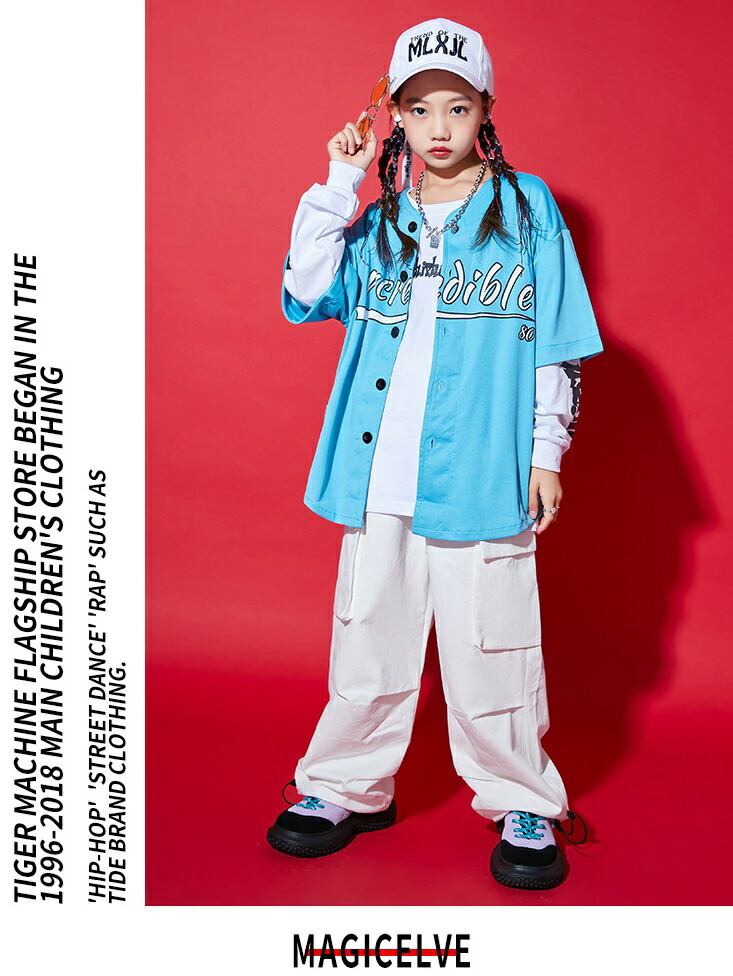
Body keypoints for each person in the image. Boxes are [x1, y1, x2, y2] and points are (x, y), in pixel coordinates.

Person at [266, 17, 598, 889]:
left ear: (485, 108)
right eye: (418, 110)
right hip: (378, 469)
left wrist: (546, 449)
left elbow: (556, 340)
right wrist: (338, 182)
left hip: (484, 469)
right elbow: (305, 287)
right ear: (394, 117)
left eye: (456, 106)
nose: (438, 127)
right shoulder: (379, 220)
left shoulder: (526, 210)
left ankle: (522, 798)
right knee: (367, 636)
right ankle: (344, 786)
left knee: (494, 642)